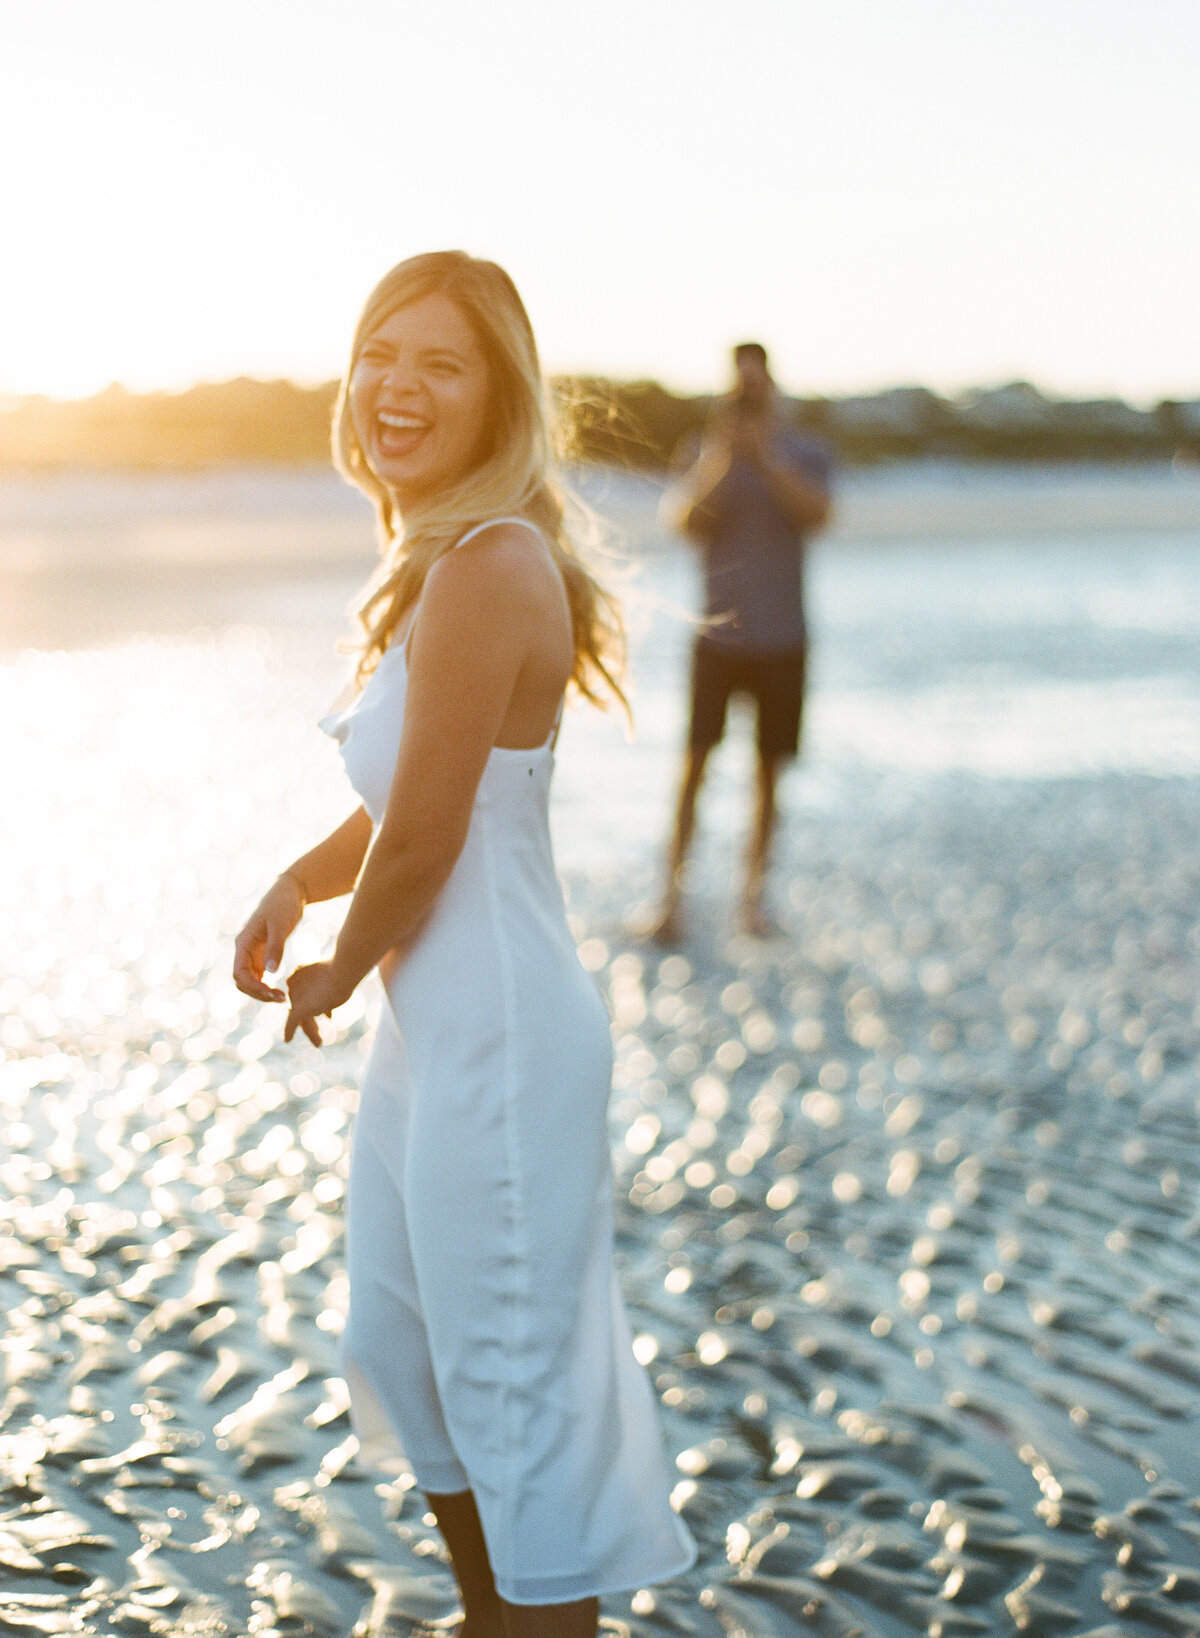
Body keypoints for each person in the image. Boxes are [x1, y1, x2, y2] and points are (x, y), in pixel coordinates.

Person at [232, 252, 696, 1638]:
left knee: (510, 1385)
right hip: (430, 1025)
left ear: (498, 397)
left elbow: (429, 844)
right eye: (383, 352)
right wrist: (299, 884)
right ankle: (501, 1614)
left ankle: (539, 1620)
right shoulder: (438, 556)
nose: (399, 386)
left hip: (497, 1023)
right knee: (404, 1347)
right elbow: (408, 797)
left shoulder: (495, 561)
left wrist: (333, 959)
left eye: (442, 363)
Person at [651, 341, 832, 941]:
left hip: (783, 639)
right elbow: (683, 524)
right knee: (693, 767)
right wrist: (724, 461)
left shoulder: (803, 452)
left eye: (757, 388)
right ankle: (670, 901)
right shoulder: (706, 455)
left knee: (768, 775)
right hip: (718, 639)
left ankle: (752, 902)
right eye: (739, 389)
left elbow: (820, 517)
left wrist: (771, 460)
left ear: (774, 389)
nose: (749, 397)